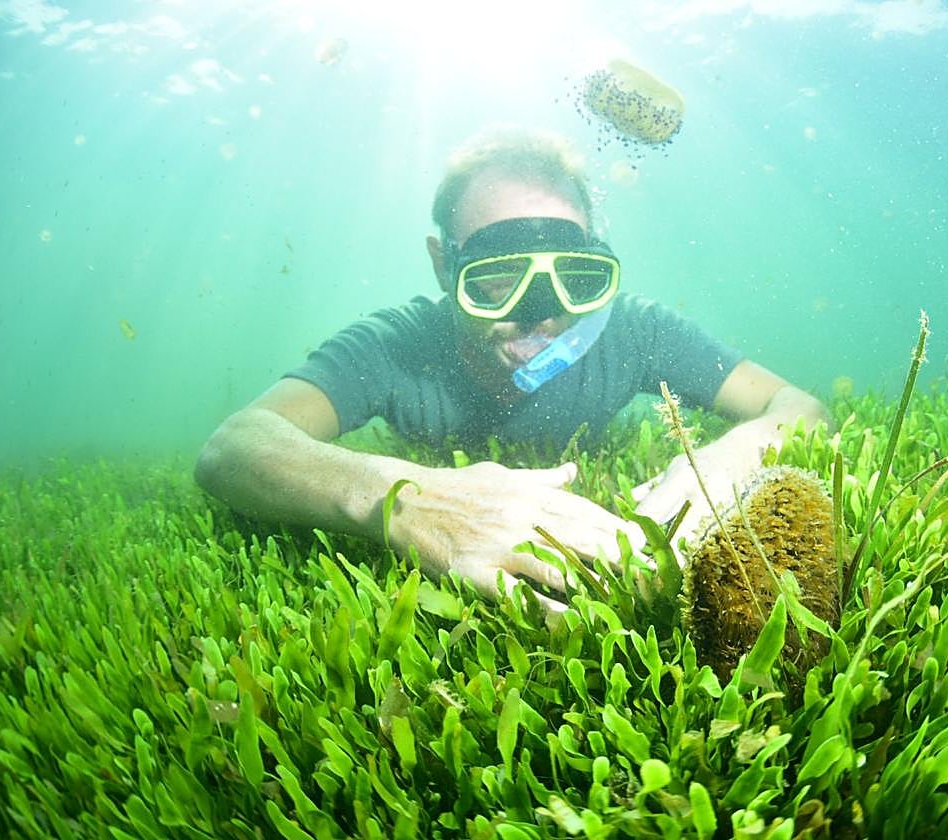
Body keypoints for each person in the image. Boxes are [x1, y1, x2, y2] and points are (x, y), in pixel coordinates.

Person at [195, 128, 828, 611]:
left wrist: (735, 454)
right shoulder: (396, 344)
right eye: (496, 279)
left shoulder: (637, 330)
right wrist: (405, 498)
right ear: (445, 267)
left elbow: (802, 409)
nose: (539, 319)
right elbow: (234, 447)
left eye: (572, 281)